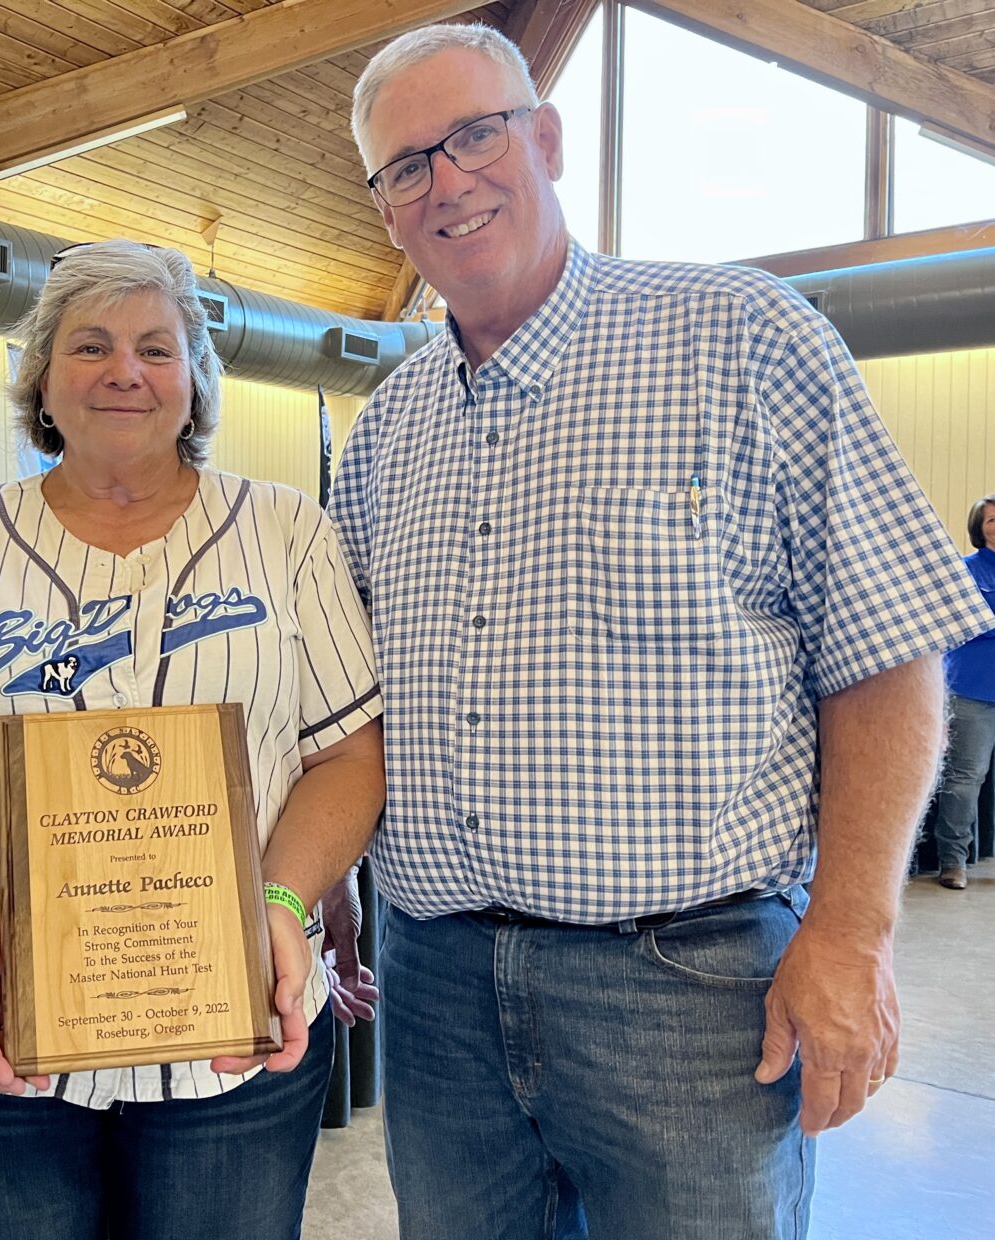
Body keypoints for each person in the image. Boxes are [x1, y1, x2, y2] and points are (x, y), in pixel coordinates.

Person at [331, 21, 994, 1240]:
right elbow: (353, 716)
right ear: (385, 213)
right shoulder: (382, 437)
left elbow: (890, 650)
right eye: (405, 165)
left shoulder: (743, 338)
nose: (448, 181)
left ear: (547, 138)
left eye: (474, 135)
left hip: (688, 992)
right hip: (436, 990)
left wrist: (852, 931)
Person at [0, 239, 385, 1240]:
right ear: (43, 379)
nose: (123, 370)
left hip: (238, 1039)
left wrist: (276, 897)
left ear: (196, 380)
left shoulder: (288, 532)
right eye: (89, 346)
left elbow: (347, 755)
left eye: (155, 347)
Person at [933, 495, 995, 888]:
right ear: (979, 527)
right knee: (965, 778)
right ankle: (952, 860)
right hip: (972, 690)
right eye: (991, 519)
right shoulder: (964, 571)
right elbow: (963, 623)